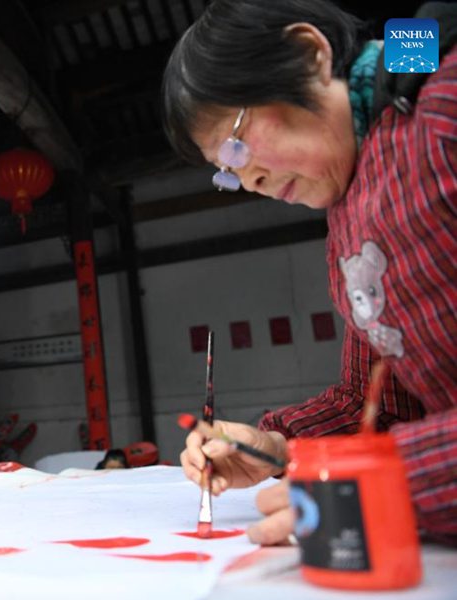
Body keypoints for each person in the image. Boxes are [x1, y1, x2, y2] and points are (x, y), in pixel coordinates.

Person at [163, 0, 456, 546]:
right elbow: (378, 404)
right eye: (226, 174)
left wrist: (400, 486)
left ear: (306, 54)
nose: (246, 180)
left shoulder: (442, 107)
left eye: (235, 141)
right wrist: (274, 447)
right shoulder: (348, 210)